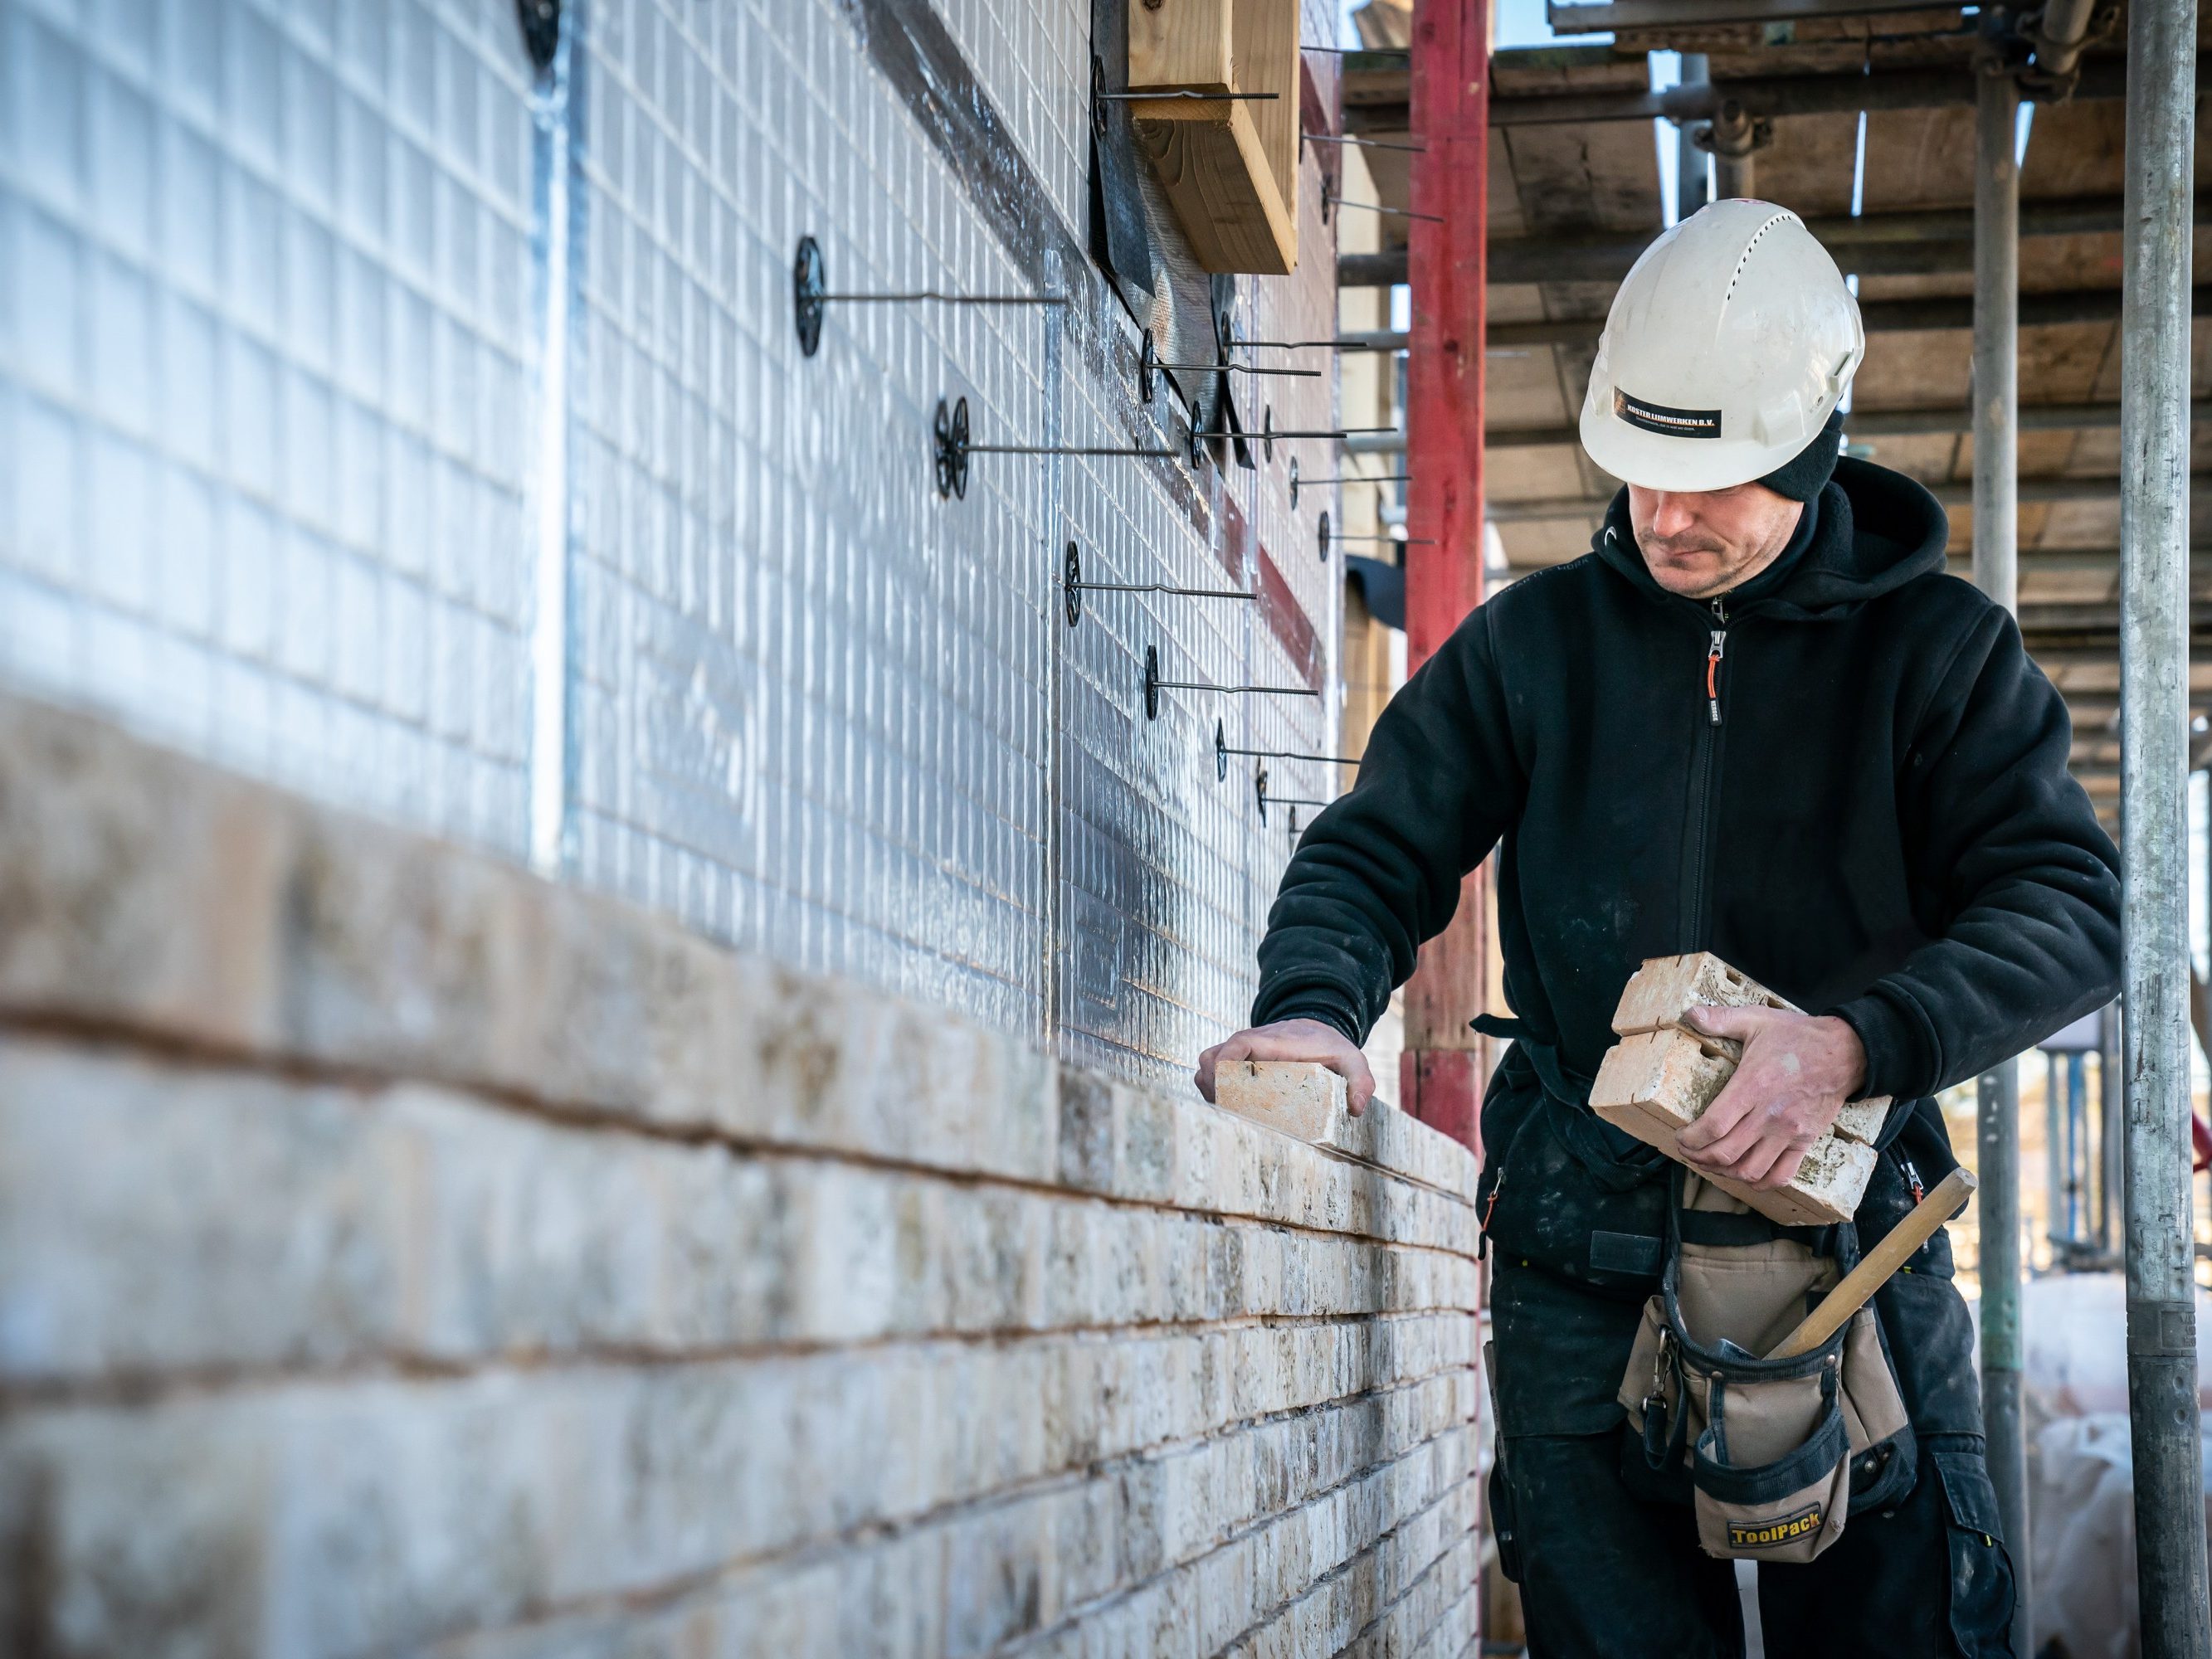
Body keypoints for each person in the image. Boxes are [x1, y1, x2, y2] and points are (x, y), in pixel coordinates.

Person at [1196, 201, 2119, 1657]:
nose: (1665, 518)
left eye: (1714, 485)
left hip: (1851, 1254)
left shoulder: (1938, 657)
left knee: (1906, 1633)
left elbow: (2067, 907)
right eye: (1639, 476)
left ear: (1811, 455)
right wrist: (1315, 999)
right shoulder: (1533, 645)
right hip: (1581, 1260)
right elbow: (1378, 843)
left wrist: (1853, 1043)